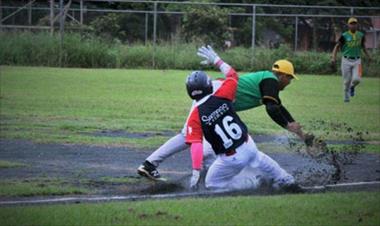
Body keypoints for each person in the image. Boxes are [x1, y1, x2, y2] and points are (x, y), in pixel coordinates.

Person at [138, 55, 307, 182]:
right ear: (283, 75)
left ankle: (154, 165)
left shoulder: (267, 82)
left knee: (198, 137)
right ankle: (161, 166)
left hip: (217, 92)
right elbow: (272, 108)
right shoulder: (270, 80)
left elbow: (277, 106)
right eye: (290, 78)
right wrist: (288, 125)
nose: (289, 82)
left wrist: (300, 133)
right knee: (191, 136)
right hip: (215, 93)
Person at [184, 46, 299, 190]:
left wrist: (195, 171)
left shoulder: (195, 115)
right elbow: (233, 76)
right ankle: (285, 179)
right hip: (247, 143)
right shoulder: (223, 95)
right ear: (209, 85)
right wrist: (217, 60)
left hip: (231, 157)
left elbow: (196, 145)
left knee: (212, 183)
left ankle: (251, 183)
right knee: (258, 157)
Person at [331, 17, 372, 103]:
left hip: (357, 60)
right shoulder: (344, 36)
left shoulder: (360, 35)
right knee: (346, 81)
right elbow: (337, 47)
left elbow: (363, 47)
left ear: (357, 25)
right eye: (351, 24)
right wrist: (333, 58)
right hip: (346, 60)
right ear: (348, 25)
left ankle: (352, 87)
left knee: (357, 79)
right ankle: (346, 98)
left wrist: (369, 56)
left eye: (355, 23)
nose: (353, 25)